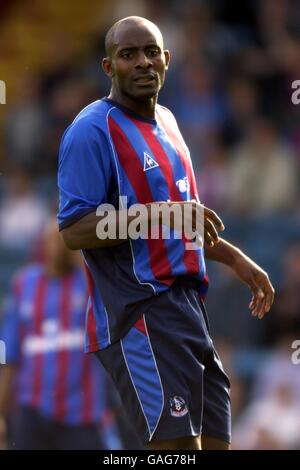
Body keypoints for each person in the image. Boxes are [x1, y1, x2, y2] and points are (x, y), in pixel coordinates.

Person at [57, 16, 274, 450]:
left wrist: (234, 258)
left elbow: (182, 220)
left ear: (167, 60)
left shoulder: (171, 126)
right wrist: (161, 214)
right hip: (137, 311)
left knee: (214, 445)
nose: (142, 62)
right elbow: (75, 231)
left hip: (188, 309)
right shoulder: (91, 129)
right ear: (108, 67)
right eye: (128, 54)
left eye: (151, 52)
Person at [0, 218, 116, 450]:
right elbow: (10, 353)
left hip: (81, 412)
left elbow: (110, 317)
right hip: (32, 407)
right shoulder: (25, 283)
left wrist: (79, 256)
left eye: (63, 240)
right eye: (52, 240)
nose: (57, 247)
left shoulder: (88, 283)